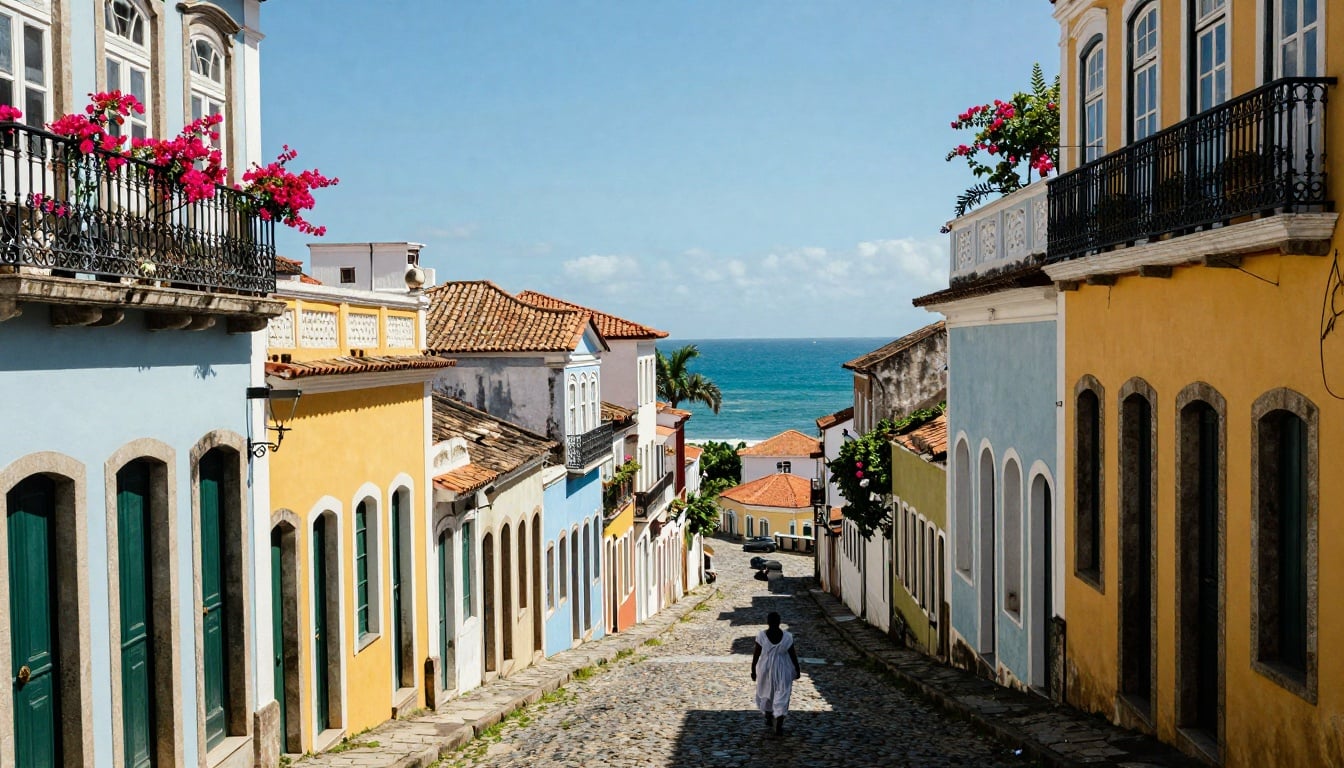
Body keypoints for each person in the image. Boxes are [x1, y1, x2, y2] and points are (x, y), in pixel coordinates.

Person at [750, 611, 801, 736]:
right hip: (783, 669)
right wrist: (797, 668)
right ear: (779, 622)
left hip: (765, 668)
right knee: (782, 694)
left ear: (768, 622)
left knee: (767, 692)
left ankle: (768, 715)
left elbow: (756, 654)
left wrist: (753, 669)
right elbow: (792, 655)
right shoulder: (787, 637)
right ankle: (779, 719)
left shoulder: (762, 636)